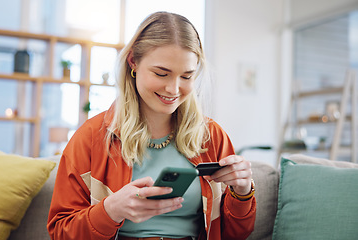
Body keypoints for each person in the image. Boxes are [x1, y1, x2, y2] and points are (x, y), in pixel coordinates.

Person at [47, 11, 256, 240]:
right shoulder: (91, 138)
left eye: (186, 77)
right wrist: (111, 211)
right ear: (133, 62)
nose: (174, 89)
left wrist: (242, 192)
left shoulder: (211, 136)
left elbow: (235, 235)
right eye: (161, 73)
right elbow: (60, 233)